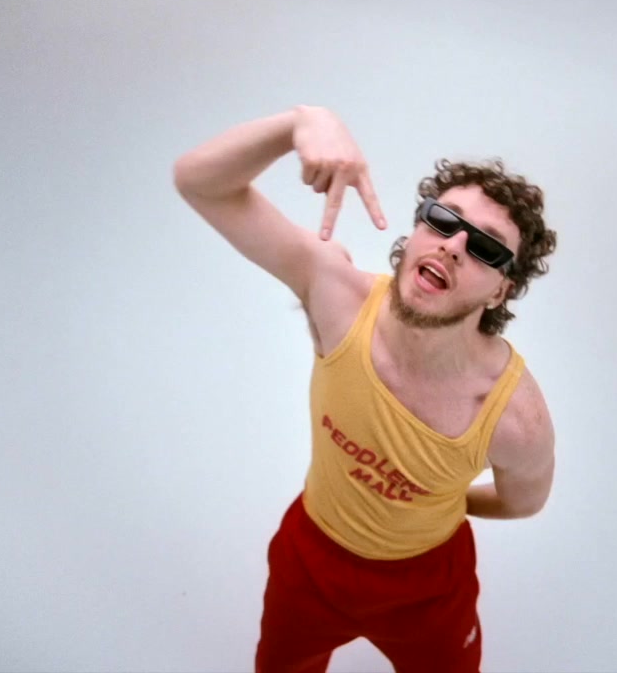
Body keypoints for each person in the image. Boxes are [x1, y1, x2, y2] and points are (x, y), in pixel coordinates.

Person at [173, 105, 558, 673]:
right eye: (443, 220)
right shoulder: (335, 294)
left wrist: (437, 500)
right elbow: (199, 182)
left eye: (486, 247)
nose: (453, 245)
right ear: (418, 229)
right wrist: (298, 122)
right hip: (310, 561)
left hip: (430, 590)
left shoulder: (516, 419)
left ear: (501, 290)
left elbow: (524, 501)